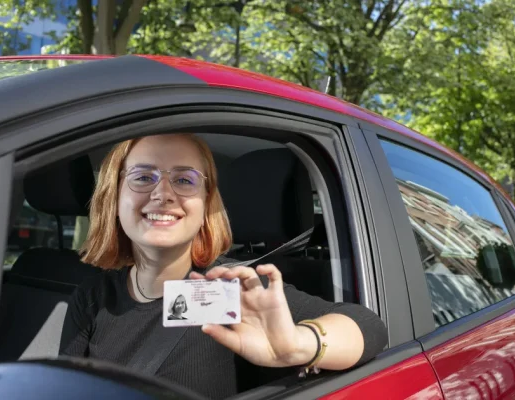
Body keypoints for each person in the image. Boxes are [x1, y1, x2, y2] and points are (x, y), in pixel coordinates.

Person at [60, 133, 388, 399]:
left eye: (184, 180)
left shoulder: (228, 288)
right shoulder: (94, 295)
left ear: (205, 205)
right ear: (114, 198)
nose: (163, 194)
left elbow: (369, 327)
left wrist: (299, 345)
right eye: (143, 177)